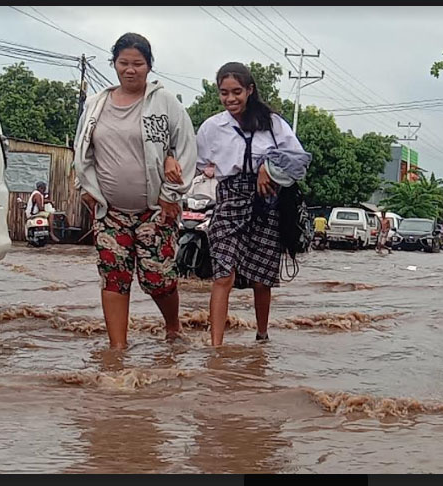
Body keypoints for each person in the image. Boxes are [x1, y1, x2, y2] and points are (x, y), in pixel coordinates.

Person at [73, 33, 197, 349]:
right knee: (114, 277)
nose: (130, 70)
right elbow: (81, 149)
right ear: (114, 64)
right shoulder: (95, 104)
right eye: (123, 63)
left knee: (159, 280)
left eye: (138, 64)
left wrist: (172, 194)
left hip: (156, 211)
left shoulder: (165, 102)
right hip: (109, 212)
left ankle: (173, 328)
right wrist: (84, 187)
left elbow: (185, 148)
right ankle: (118, 350)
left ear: (149, 66)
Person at [196, 62, 308, 346]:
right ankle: (216, 347)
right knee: (223, 274)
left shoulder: (273, 124)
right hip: (228, 202)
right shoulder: (212, 127)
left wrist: (266, 168)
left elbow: (300, 161)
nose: (230, 99)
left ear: (250, 90)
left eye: (236, 92)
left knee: (262, 279)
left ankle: (262, 337)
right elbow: (194, 163)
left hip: (266, 204)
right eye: (224, 93)